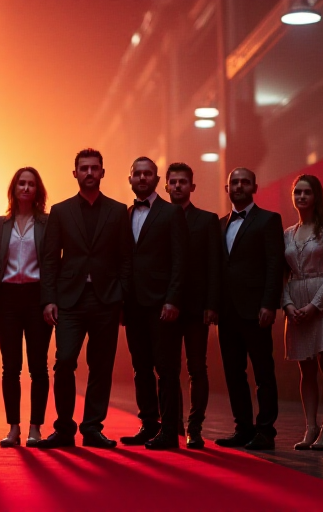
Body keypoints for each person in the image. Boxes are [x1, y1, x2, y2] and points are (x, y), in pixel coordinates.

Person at [38, 148, 132, 449]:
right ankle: (64, 428)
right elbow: (50, 259)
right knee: (64, 362)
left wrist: (122, 298)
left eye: (94, 168)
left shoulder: (118, 211)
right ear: (75, 173)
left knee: (101, 366)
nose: (89, 173)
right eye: (84, 168)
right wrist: (48, 299)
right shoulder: (61, 211)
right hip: (69, 300)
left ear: (102, 172)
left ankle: (92, 428)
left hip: (106, 299)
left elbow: (125, 258)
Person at [120, 157, 187, 451]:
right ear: (130, 179)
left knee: (167, 369)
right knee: (140, 367)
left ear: (157, 181)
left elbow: (180, 261)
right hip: (133, 304)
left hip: (162, 303)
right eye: (138, 174)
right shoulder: (124, 214)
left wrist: (173, 299)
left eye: (148, 174)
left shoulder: (171, 213)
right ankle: (148, 425)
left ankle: (170, 431)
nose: (143, 178)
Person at [214, 167, 284, 451]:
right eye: (234, 182)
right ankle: (243, 428)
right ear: (226, 188)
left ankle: (266, 431)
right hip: (227, 311)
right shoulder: (219, 224)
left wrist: (269, 304)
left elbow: (274, 265)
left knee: (263, 372)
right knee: (233, 372)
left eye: (245, 182)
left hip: (256, 310)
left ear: (255, 186)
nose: (239, 186)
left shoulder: (268, 220)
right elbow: (217, 269)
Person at [281, 175, 323, 451]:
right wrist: (288, 305)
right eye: (297, 193)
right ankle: (310, 427)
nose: (302, 197)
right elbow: (282, 275)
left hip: (322, 296)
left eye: (307, 192)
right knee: (305, 369)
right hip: (295, 299)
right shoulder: (287, 233)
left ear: (316, 195)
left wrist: (315, 305)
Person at [0, 167, 52, 448]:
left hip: (36, 296)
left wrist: (51, 298)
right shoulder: (1, 223)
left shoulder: (47, 223)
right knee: (10, 368)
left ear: (37, 190)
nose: (26, 188)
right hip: (6, 298)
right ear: (14, 188)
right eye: (21, 183)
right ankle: (14, 427)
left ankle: (35, 428)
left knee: (38, 367)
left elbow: (52, 262)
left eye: (31, 184)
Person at [164, 163, 220, 449]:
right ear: (166, 186)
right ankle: (171, 423)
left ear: (192, 187)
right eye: (172, 182)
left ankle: (194, 427)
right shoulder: (158, 218)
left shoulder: (208, 220)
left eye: (182, 182)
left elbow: (214, 265)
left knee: (197, 368)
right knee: (168, 369)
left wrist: (212, 304)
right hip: (166, 307)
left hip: (198, 306)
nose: (177, 186)